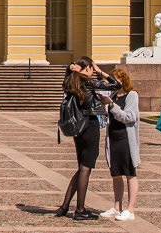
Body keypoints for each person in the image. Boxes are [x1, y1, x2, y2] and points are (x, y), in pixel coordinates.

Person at [54, 56, 122, 221]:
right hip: (89, 125)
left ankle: (64, 206)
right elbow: (117, 85)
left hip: (78, 128)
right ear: (89, 68)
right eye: (92, 68)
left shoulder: (71, 83)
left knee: (81, 168)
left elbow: (67, 73)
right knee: (86, 168)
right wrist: (101, 72)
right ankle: (80, 209)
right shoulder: (89, 83)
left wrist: (71, 67)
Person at [101, 67, 140, 222]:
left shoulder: (132, 95)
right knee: (116, 174)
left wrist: (111, 106)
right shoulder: (114, 95)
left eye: (115, 81)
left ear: (123, 81)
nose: (112, 84)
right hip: (113, 138)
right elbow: (109, 117)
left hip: (126, 139)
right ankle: (117, 207)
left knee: (130, 173)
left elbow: (129, 117)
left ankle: (130, 209)